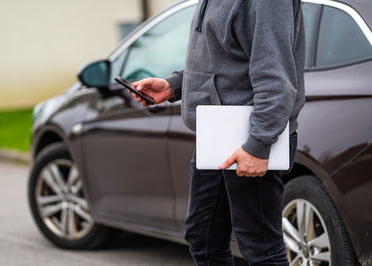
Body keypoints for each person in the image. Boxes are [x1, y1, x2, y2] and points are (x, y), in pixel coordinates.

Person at [129, 0, 305, 265]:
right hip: (216, 134)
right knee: (204, 238)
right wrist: (174, 85)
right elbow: (222, 59)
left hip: (249, 137)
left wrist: (258, 145)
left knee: (261, 249)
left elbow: (276, 79)